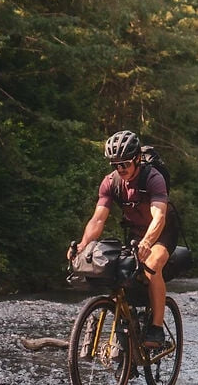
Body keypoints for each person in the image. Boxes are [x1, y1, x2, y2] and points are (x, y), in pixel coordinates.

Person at [69, 130, 178, 347]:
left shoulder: (153, 178)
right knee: (116, 267)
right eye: (115, 165)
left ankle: (156, 328)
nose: (121, 169)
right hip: (135, 232)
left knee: (151, 265)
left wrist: (148, 243)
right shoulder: (111, 182)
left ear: (137, 158)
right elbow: (98, 220)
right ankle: (129, 322)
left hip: (162, 232)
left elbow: (159, 216)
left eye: (125, 164)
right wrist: (82, 245)